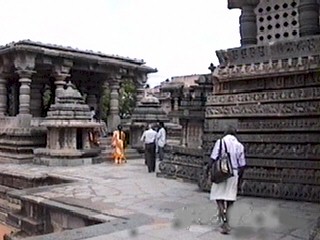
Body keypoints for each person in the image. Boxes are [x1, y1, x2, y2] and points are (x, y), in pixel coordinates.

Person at [208, 126, 246, 234]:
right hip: (233, 173)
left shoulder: (220, 142)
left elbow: (213, 158)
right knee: (230, 198)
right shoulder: (239, 146)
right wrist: (239, 179)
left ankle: (224, 219)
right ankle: (227, 219)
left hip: (221, 172)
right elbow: (242, 165)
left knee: (218, 196)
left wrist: (208, 170)